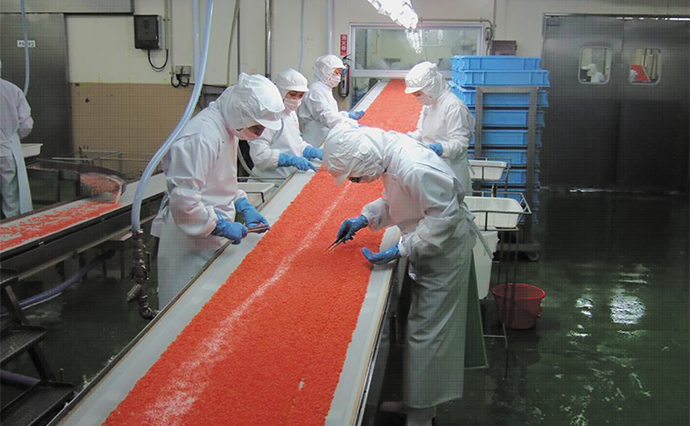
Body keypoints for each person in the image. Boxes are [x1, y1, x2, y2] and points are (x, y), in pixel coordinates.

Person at [323, 123, 487, 426]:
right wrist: (366, 217)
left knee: (426, 335)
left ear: (364, 159)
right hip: (432, 249)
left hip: (444, 254)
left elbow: (445, 217)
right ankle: (418, 403)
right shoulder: (391, 157)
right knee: (422, 330)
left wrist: (402, 248)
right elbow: (400, 199)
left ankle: (420, 415)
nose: (357, 182)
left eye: (355, 176)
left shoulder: (411, 165)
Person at [151, 73, 282, 307]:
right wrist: (219, 225)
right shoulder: (202, 136)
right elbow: (184, 203)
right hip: (189, 242)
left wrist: (241, 202)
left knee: (208, 306)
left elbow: (219, 180)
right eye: (257, 127)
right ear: (241, 112)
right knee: (184, 311)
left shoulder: (227, 128)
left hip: (210, 235)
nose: (260, 133)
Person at [405, 61, 474, 195]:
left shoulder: (454, 106)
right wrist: (408, 139)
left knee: (453, 205)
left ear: (430, 87)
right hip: (433, 168)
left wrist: (441, 148)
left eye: (418, 94)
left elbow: (460, 143)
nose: (417, 98)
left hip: (452, 171)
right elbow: (422, 132)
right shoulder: (430, 104)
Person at [247, 69, 322, 179]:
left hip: (287, 177)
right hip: (269, 180)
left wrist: (308, 150)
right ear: (281, 92)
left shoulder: (291, 114)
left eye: (300, 95)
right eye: (292, 94)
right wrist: (285, 159)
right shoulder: (268, 116)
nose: (296, 99)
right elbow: (260, 156)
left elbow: (295, 141)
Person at [298, 54, 363, 146]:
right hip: (316, 142)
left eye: (340, 73)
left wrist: (346, 115)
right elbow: (327, 117)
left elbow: (330, 112)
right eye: (336, 73)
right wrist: (352, 124)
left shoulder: (325, 89)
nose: (338, 77)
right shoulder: (315, 92)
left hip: (324, 139)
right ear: (325, 72)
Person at [0, 58, 33, 218]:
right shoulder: (12, 90)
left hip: (7, 145)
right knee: (11, 196)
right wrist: (14, 137)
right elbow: (26, 124)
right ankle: (11, 224)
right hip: (8, 150)